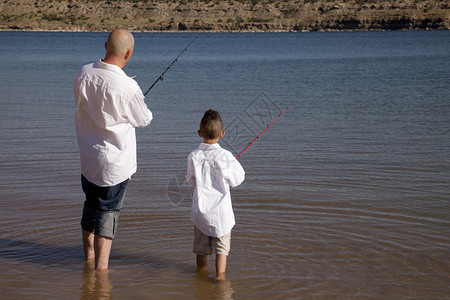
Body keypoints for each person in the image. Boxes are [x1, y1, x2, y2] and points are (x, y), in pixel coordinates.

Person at [74, 29, 153, 270]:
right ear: (129, 53)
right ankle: (101, 271)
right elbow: (144, 119)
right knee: (107, 213)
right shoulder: (128, 87)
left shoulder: (83, 73)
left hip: (88, 158)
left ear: (106, 44)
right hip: (115, 165)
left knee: (90, 205)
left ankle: (88, 259)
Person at [186, 109, 245, 281]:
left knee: (200, 251)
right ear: (222, 134)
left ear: (199, 133)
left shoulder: (193, 156)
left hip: (200, 214)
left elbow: (191, 180)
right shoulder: (226, 156)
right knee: (221, 251)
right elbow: (238, 179)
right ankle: (220, 278)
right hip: (221, 216)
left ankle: (201, 278)